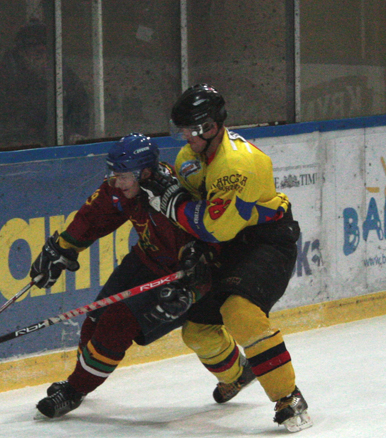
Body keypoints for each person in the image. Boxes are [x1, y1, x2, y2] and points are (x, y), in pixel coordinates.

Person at [30, 133, 254, 419]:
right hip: (147, 258)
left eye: (123, 176)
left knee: (117, 323)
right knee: (97, 316)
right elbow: (94, 215)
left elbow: (213, 242)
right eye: (113, 174)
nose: (115, 182)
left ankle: (74, 390)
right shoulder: (122, 187)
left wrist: (192, 286)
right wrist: (63, 248)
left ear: (145, 173)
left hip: (180, 276)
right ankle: (80, 381)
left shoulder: (179, 196)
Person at [140, 84, 312, 432]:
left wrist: (171, 201)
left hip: (267, 241)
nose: (186, 136)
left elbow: (213, 227)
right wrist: (190, 243)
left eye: (192, 129)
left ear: (211, 126)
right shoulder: (189, 158)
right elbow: (198, 217)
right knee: (197, 331)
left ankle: (288, 397)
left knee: (240, 311)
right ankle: (238, 374)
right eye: (182, 130)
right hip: (231, 243)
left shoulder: (238, 164)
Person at [0, 20, 90, 148]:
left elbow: (80, 103)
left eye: (49, 53)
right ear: (22, 53)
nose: (45, 59)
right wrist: (25, 142)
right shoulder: (6, 77)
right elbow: (3, 122)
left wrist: (76, 133)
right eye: (38, 53)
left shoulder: (61, 70)